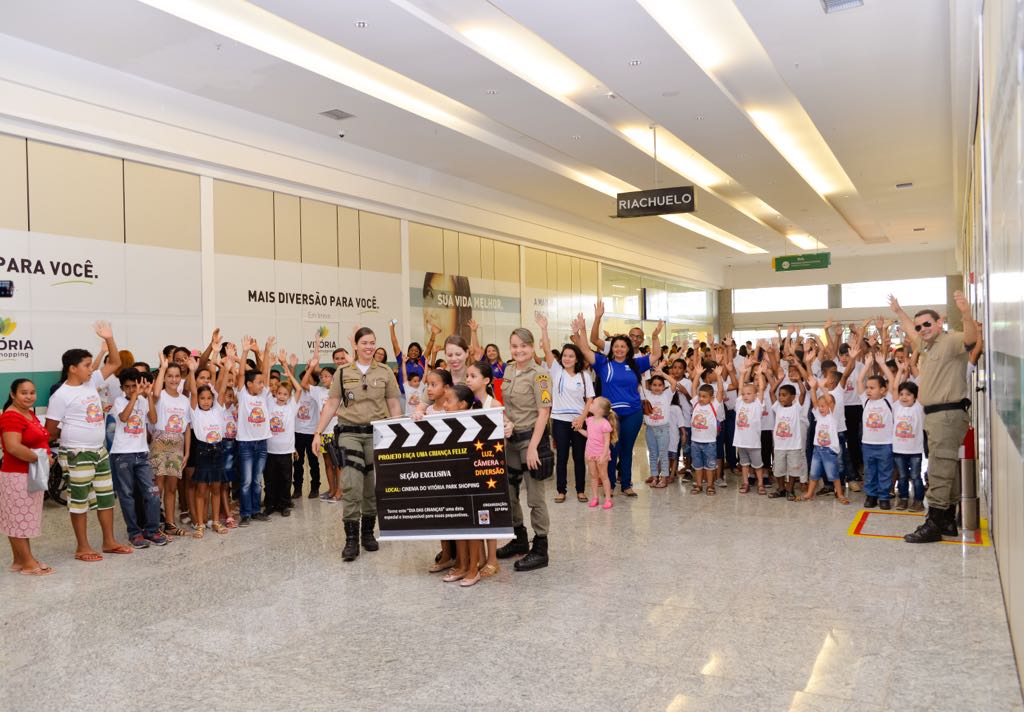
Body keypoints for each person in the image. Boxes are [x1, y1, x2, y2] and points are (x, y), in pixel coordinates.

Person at [890, 291, 977, 542]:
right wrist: (898, 311)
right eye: (920, 326)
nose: (922, 329)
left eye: (928, 324)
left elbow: (971, 339)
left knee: (938, 469)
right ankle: (948, 520)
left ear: (939, 323)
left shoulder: (950, 341)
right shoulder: (928, 345)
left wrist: (966, 313)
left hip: (947, 415)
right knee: (946, 467)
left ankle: (934, 523)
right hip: (939, 416)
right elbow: (911, 331)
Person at [45, 322, 131, 562]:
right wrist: (75, 436)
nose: (90, 368)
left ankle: (109, 541)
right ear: (72, 368)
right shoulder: (61, 395)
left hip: (99, 451)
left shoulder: (91, 382)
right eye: (86, 365)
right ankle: (82, 547)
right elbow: (50, 430)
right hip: (77, 453)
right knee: (79, 501)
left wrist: (110, 339)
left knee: (105, 498)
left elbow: (115, 363)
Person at [314, 327, 402, 562]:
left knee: (372, 486)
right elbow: (332, 404)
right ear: (355, 345)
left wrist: (398, 436)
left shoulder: (385, 372)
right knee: (351, 485)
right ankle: (351, 539)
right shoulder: (342, 372)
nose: (369, 346)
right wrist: (317, 433)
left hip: (378, 434)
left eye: (372, 342)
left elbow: (394, 405)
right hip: (349, 434)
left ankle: (368, 533)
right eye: (364, 342)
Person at [573, 307, 662, 496]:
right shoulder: (603, 363)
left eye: (623, 346)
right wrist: (583, 328)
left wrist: (655, 336)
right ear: (611, 348)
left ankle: (627, 484)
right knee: (611, 448)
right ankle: (610, 485)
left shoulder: (636, 364)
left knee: (627, 449)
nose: (619, 349)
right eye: (616, 346)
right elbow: (584, 348)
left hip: (633, 413)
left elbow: (656, 355)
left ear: (628, 349)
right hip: (611, 415)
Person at [495, 327, 553, 571]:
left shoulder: (540, 375)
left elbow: (544, 413)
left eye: (524, 346)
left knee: (535, 497)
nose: (519, 350)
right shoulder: (508, 370)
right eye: (515, 346)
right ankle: (519, 539)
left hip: (532, 440)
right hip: (511, 440)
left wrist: (533, 448)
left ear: (532, 348)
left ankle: (540, 548)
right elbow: (505, 405)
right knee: (509, 494)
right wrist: (506, 422)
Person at [536, 314, 593, 503]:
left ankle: (580, 490)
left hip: (578, 421)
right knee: (561, 457)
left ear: (576, 358)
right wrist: (544, 328)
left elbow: (589, 400)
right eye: (565, 356)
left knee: (578, 458)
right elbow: (545, 349)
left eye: (571, 356)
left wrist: (582, 419)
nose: (567, 359)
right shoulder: (556, 371)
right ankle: (561, 490)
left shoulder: (584, 376)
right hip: (559, 420)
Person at [1, 379, 54, 575]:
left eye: (32, 392)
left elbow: (41, 438)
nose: (29, 396)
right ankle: (28, 563)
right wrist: (41, 458)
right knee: (18, 520)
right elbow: (13, 447)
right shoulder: (11, 416)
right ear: (13, 394)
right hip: (17, 476)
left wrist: (45, 456)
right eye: (24, 393)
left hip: (31, 474)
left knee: (22, 519)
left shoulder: (28, 413)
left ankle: (20, 560)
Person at [108, 368, 167, 548]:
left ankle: (151, 530)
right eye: (128, 387)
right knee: (127, 495)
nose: (132, 389)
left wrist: (148, 396)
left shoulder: (143, 400)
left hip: (142, 453)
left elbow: (154, 419)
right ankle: (134, 533)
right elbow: (124, 418)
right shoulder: (118, 401)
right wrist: (134, 397)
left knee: (152, 493)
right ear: (122, 388)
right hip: (122, 455)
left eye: (135, 386)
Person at [186, 356, 233, 537]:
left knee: (216, 488)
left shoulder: (218, 410)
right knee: (201, 490)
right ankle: (200, 523)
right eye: (202, 398)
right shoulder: (195, 412)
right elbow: (193, 391)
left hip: (218, 450)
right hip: (203, 452)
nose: (205, 401)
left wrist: (227, 369)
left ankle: (215, 521)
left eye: (208, 398)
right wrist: (191, 371)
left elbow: (221, 390)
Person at [234, 336, 275, 526]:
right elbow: (241, 374)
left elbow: (265, 372)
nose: (261, 384)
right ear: (249, 385)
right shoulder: (242, 395)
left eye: (261, 382)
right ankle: (245, 513)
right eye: (258, 382)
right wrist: (243, 352)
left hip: (262, 443)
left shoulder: (264, 395)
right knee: (246, 481)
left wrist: (265, 351)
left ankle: (256, 510)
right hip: (246, 444)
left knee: (258, 481)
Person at [150, 354, 192, 536]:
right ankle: (152, 523)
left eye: (176, 376)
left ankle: (169, 523)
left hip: (178, 444)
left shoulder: (184, 400)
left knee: (172, 487)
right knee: (158, 485)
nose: (174, 379)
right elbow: (156, 393)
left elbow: (187, 427)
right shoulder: (160, 396)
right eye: (170, 376)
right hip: (160, 441)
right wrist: (162, 368)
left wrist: (187, 452)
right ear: (165, 378)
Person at [856, 352, 896, 510]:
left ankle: (884, 496)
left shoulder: (888, 400)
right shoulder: (865, 401)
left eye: (872, 388)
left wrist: (882, 364)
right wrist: (866, 365)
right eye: (868, 388)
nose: (868, 390)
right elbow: (859, 380)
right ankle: (871, 495)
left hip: (885, 444)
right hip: (868, 444)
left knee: (885, 471)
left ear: (883, 390)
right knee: (870, 471)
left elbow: (892, 380)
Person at [264, 352, 302, 517]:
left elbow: (298, 388)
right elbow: (266, 385)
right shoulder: (270, 402)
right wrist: (271, 366)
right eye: (279, 393)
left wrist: (285, 366)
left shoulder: (291, 406)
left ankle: (284, 504)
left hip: (286, 450)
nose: (281, 396)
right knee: (270, 480)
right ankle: (270, 504)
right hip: (270, 450)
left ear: (289, 396)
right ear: (275, 393)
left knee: (286, 479)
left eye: (285, 394)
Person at [801, 377, 849, 504]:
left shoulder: (832, 417)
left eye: (824, 406)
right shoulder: (818, 416)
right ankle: (810, 493)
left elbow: (830, 401)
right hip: (818, 450)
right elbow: (814, 401)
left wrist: (823, 388)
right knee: (814, 473)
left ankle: (840, 494)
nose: (821, 408)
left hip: (829, 451)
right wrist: (812, 388)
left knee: (833, 474)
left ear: (830, 406)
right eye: (820, 407)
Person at [767, 380, 809, 500]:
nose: (780, 397)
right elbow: (771, 391)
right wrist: (779, 380)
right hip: (780, 446)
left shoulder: (796, 408)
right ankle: (781, 489)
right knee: (779, 470)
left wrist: (799, 380)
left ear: (792, 397)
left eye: (784, 395)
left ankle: (790, 490)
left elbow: (803, 392)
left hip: (793, 446)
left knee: (793, 469)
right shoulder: (777, 407)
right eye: (780, 394)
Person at [687, 362, 726, 496]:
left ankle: (710, 485)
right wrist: (697, 375)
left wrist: (719, 376)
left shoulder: (714, 406)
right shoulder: (696, 404)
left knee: (710, 466)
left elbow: (720, 391)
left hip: (709, 442)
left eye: (704, 396)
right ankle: (698, 485)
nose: (701, 398)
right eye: (700, 396)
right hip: (695, 442)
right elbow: (693, 388)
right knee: (697, 466)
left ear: (711, 398)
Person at [891, 366, 926, 512]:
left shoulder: (919, 407)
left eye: (908, 394)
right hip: (899, 450)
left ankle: (918, 501)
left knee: (915, 476)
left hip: (915, 450)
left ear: (916, 397)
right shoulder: (896, 406)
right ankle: (903, 499)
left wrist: (911, 366)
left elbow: (922, 385)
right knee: (903, 476)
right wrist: (900, 372)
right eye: (901, 394)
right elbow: (894, 387)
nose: (904, 397)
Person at [294, 342, 325, 499]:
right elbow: (301, 382)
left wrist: (313, 363)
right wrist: (308, 368)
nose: (304, 382)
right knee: (297, 463)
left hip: (312, 433)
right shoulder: (298, 392)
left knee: (313, 463)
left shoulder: (317, 393)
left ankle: (315, 488)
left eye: (308, 378)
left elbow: (315, 364)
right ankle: (297, 489)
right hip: (298, 432)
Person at [733, 364, 768, 494]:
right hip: (741, 442)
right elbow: (740, 387)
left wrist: (759, 375)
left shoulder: (758, 405)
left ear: (755, 395)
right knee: (744, 464)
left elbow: (762, 388)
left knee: (758, 466)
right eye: (744, 394)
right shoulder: (740, 403)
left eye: (749, 394)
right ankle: (745, 483)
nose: (745, 395)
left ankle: (760, 484)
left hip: (753, 443)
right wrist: (742, 374)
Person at [642, 369, 675, 489]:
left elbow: (674, 384)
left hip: (663, 429)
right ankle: (655, 477)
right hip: (650, 429)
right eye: (654, 385)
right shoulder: (647, 394)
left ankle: (664, 478)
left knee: (663, 454)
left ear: (664, 386)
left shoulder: (667, 395)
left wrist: (663, 374)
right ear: (650, 386)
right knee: (652, 454)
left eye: (660, 385)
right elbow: (640, 383)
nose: (657, 387)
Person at [582, 396, 616, 509]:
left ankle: (608, 499)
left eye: (593, 403)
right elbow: (589, 435)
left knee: (604, 476)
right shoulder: (589, 420)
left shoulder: (604, 424)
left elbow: (607, 441)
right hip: (590, 453)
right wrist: (579, 430)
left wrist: (604, 455)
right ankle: (595, 497)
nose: (590, 404)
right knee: (593, 476)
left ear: (600, 410)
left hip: (601, 454)